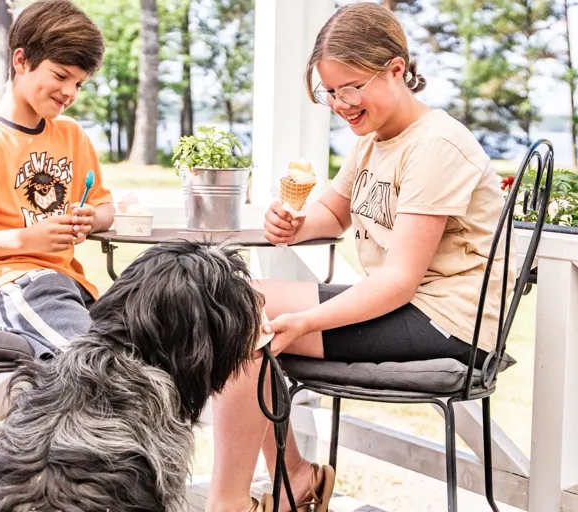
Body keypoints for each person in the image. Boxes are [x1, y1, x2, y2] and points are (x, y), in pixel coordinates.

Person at [206, 3, 513, 511]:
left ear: (396, 69)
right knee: (232, 306)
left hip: (449, 323)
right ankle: (294, 479)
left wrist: (303, 320)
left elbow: (399, 281)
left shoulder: (436, 145)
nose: (340, 103)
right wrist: (298, 224)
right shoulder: (375, 138)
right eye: (329, 91)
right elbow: (334, 210)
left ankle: (232, 503)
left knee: (240, 325)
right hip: (406, 305)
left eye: (350, 87)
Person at [0, 0, 114, 360]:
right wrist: (28, 238)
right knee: (95, 364)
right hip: (3, 287)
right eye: (61, 76)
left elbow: (105, 208)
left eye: (79, 83)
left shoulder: (72, 136)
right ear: (21, 61)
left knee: (139, 348)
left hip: (69, 287)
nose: (70, 93)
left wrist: (92, 218)